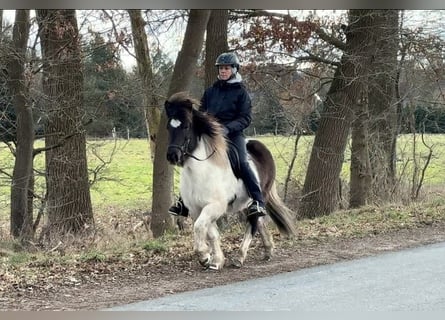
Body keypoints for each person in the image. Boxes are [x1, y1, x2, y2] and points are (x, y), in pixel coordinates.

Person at [168, 52, 266, 219]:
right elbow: (203, 113)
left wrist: (227, 128)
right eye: (221, 68)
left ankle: (258, 201)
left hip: (233, 135)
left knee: (242, 162)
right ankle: (183, 202)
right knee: (190, 160)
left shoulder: (241, 93)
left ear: (234, 69)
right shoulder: (211, 91)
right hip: (211, 135)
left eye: (226, 68)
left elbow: (245, 118)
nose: (223, 71)